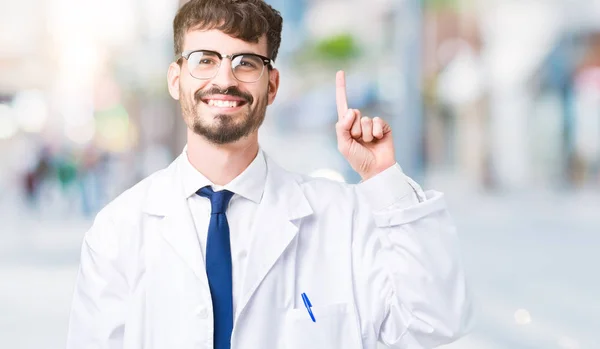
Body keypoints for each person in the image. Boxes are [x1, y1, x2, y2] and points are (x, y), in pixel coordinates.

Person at [66, 0, 474, 348]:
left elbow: (436, 321)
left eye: (245, 62)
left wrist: (385, 180)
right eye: (204, 60)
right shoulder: (118, 231)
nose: (224, 80)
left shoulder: (342, 217)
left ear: (272, 85)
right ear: (176, 80)